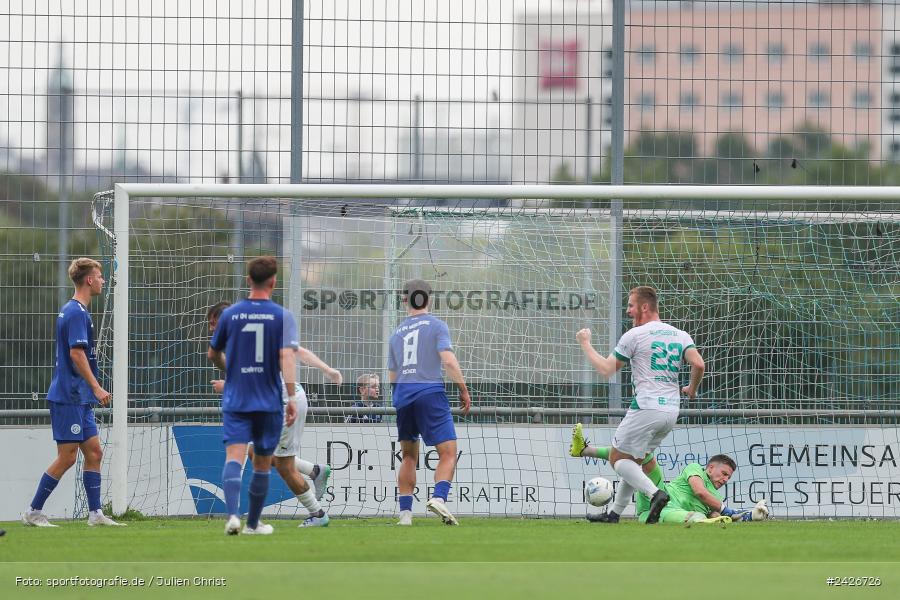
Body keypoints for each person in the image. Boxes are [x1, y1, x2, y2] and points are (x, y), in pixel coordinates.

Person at [574, 285, 705, 524]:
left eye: (631, 305)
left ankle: (656, 494)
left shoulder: (635, 335)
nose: (628, 311)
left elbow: (606, 369)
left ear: (645, 307)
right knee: (634, 460)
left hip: (645, 407)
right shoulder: (680, 335)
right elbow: (699, 364)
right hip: (670, 411)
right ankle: (614, 515)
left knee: (617, 458)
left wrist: (585, 343)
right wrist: (692, 389)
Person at [23, 258, 122, 527]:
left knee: (94, 453)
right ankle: (33, 511)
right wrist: (96, 386)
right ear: (89, 280)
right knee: (67, 457)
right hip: (69, 396)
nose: (103, 280)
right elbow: (76, 354)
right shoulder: (76, 312)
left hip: (79, 398)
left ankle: (95, 514)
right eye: (100, 276)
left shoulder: (75, 310)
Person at [208, 303, 336, 510]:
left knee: (283, 466)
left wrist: (228, 385)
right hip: (277, 403)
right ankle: (314, 471)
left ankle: (318, 514)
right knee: (254, 452)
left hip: (285, 404)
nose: (211, 329)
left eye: (214, 324)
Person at [208, 256, 299, 535]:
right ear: (273, 282)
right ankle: (252, 525)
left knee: (234, 457)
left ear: (249, 280)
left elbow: (213, 353)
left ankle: (233, 516)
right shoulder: (282, 316)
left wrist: (232, 373)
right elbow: (286, 356)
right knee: (262, 462)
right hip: (268, 400)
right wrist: (292, 397)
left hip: (237, 398)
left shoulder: (230, 315)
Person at [389, 279, 471, 526]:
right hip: (429, 393)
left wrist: (398, 398)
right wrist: (463, 389)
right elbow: (448, 360)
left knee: (408, 456)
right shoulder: (436, 325)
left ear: (405, 300)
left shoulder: (396, 333)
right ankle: (438, 497)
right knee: (447, 452)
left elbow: (392, 373)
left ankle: (405, 515)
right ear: (429, 299)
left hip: (403, 396)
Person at [585, 451, 768, 526]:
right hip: (657, 493)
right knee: (644, 454)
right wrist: (725, 509)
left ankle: (659, 516)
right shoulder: (696, 469)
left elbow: (716, 517)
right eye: (724, 473)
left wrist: (749, 516)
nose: (726, 479)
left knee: (698, 518)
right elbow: (699, 491)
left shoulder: (715, 497)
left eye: (729, 477)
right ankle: (588, 450)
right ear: (710, 468)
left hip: (663, 513)